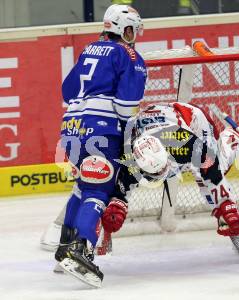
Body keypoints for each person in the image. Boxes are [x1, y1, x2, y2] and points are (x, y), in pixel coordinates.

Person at [55, 4, 146, 287]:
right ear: (125, 29)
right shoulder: (129, 54)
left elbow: (67, 91)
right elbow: (127, 106)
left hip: (71, 126)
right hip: (101, 129)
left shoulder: (89, 49)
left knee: (83, 186)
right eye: (133, 30)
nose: (135, 36)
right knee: (99, 188)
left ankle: (65, 247)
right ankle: (80, 250)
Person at [119, 101, 239, 257]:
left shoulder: (180, 141)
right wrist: (116, 205)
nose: (162, 172)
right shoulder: (128, 152)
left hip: (193, 120)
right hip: (156, 123)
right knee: (207, 173)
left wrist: (227, 208)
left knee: (211, 172)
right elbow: (120, 185)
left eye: (163, 167)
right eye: (156, 172)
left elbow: (211, 171)